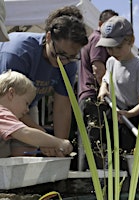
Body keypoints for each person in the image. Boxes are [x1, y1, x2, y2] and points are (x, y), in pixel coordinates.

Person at [0, 6, 88, 156]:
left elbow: (62, 108)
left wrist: (59, 147)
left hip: (25, 104)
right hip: (7, 104)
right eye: (59, 54)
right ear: (48, 37)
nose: (64, 61)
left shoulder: (68, 63)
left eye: (71, 57)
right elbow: (10, 108)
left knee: (26, 156)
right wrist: (48, 139)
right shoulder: (18, 52)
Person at [96, 16, 139, 169]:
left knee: (130, 160)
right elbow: (106, 79)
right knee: (113, 156)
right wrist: (103, 87)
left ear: (131, 40)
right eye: (109, 48)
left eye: (118, 47)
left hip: (133, 117)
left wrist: (129, 114)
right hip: (115, 114)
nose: (113, 52)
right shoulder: (111, 62)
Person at [78, 9, 118, 170]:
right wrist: (108, 91)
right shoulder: (99, 39)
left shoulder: (91, 39)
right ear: (101, 25)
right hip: (94, 96)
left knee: (87, 144)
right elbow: (98, 69)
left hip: (85, 95)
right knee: (96, 145)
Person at [0, 70, 73, 157]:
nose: (27, 110)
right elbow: (26, 133)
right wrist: (59, 142)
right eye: (26, 103)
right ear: (11, 94)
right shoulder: (2, 114)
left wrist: (46, 143)